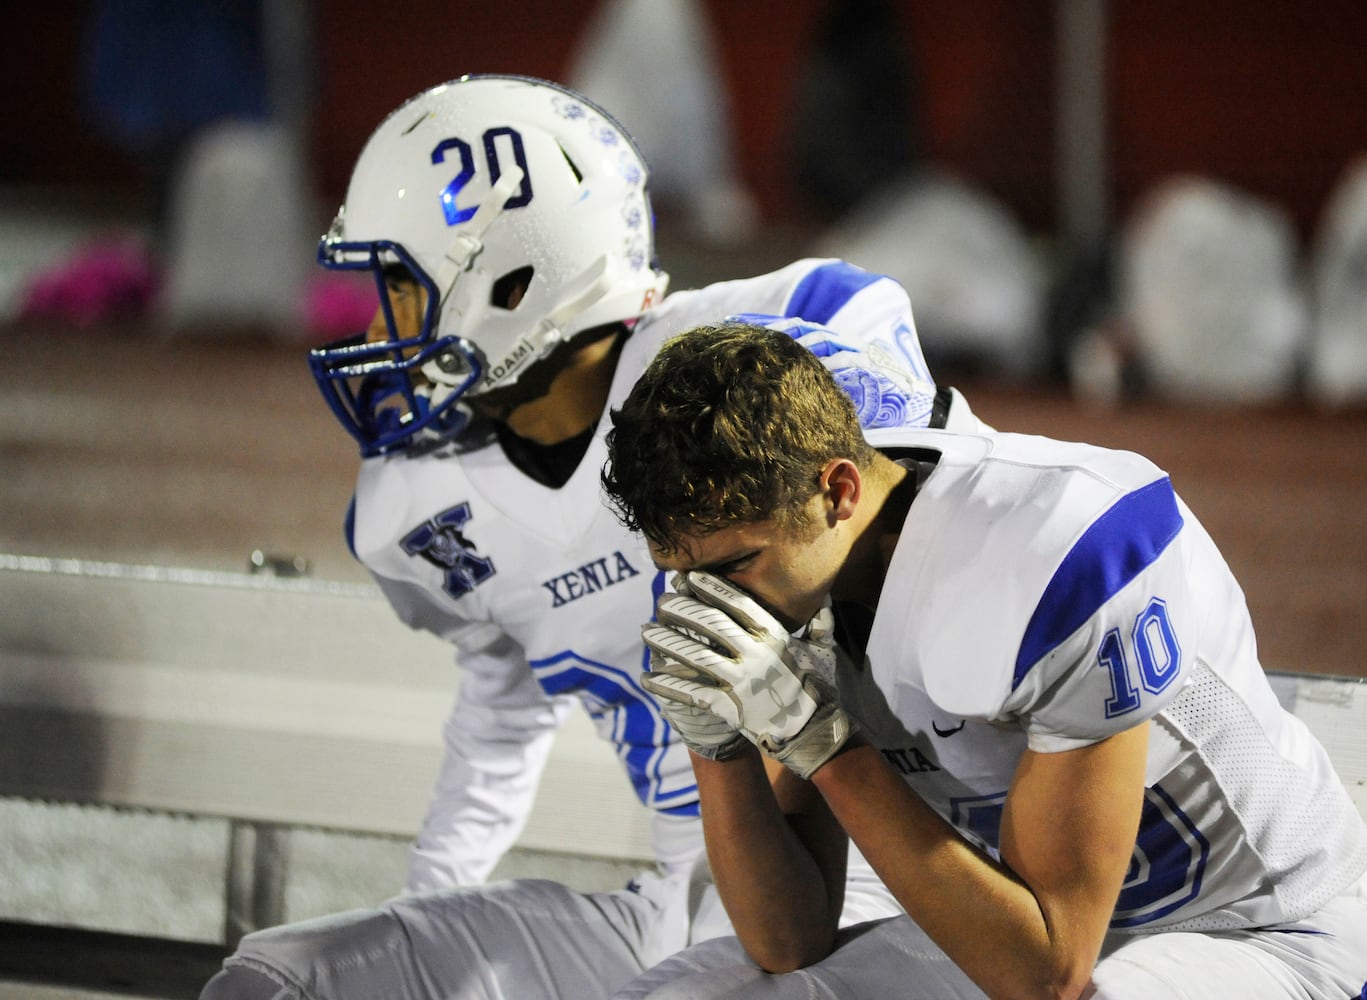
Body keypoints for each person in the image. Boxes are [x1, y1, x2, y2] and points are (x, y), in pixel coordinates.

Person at [201, 75, 986, 999]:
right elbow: (501, 708)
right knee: (280, 984)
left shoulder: (774, 348)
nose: (375, 328)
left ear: (512, 282)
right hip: (693, 899)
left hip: (896, 882)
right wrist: (429, 910)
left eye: (402, 290)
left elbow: (955, 520)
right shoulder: (418, 503)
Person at [599, 321, 1367, 1000]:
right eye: (683, 574)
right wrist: (716, 742)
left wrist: (826, 746)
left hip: (1261, 929)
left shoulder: (1050, 545)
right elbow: (786, 941)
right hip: (1027, 928)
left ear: (836, 489)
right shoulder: (789, 572)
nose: (714, 602)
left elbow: (1050, 977)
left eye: (732, 567)